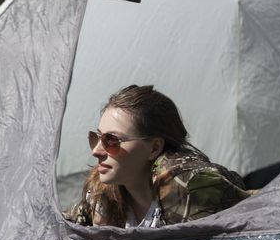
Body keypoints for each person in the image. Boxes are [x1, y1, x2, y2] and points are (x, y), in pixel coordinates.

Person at [63, 85, 251, 228]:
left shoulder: (188, 189)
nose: (96, 151)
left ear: (154, 148)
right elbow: (57, 227)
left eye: (111, 140)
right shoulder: (101, 192)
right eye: (95, 137)